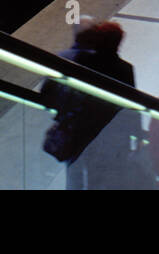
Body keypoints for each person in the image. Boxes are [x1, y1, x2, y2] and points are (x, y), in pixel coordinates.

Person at [42, 19, 136, 189]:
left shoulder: (83, 60)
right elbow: (130, 107)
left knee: (77, 171)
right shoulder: (125, 69)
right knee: (102, 176)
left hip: (80, 129)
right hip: (109, 132)